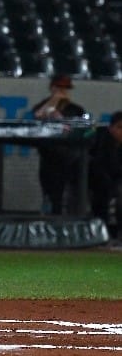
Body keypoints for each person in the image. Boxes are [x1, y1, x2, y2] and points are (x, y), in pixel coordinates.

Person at [32, 74, 87, 214]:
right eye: (59, 87)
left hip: (70, 158)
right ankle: (50, 221)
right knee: (51, 195)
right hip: (49, 158)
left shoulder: (76, 109)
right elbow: (38, 115)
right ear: (52, 88)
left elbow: (80, 129)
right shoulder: (43, 106)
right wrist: (54, 100)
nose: (63, 91)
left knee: (71, 195)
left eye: (65, 88)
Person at [88, 111, 122, 240]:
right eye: (119, 127)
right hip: (94, 181)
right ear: (111, 128)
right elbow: (98, 165)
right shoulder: (99, 139)